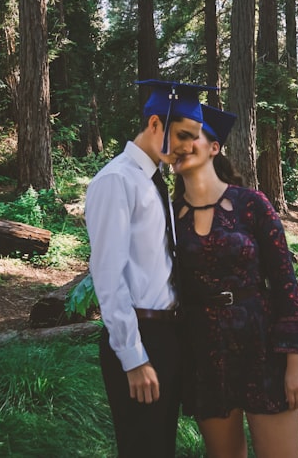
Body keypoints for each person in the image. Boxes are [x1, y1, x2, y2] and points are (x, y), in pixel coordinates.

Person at [171, 105, 298, 458]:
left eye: (190, 136)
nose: (180, 145)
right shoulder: (167, 215)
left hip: (264, 348)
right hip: (205, 353)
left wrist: (296, 362)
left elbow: (285, 284)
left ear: (214, 147)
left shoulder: (252, 205)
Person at [85, 79, 215, 457]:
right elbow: (107, 277)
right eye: (184, 135)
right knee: (143, 449)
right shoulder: (116, 181)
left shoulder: (153, 181)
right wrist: (133, 357)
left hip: (168, 336)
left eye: (195, 138)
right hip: (141, 338)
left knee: (161, 447)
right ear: (155, 124)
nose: (190, 147)